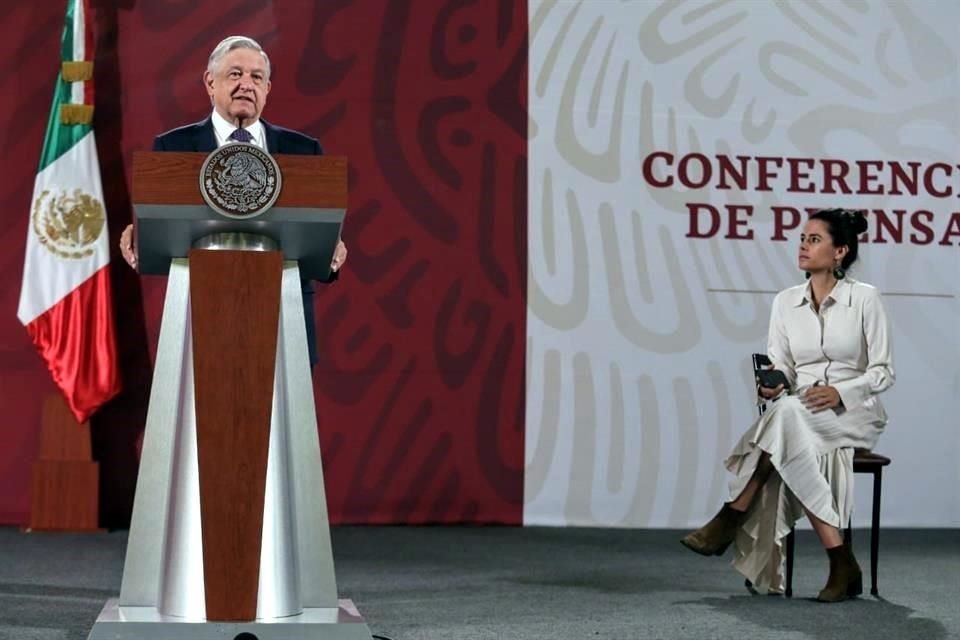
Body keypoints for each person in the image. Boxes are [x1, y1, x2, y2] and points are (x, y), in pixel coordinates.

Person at [680, 208, 894, 602]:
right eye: (802, 238)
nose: (803, 246)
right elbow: (783, 368)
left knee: (786, 421)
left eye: (814, 240)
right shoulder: (785, 302)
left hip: (854, 411)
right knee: (788, 414)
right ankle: (840, 559)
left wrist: (841, 392)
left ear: (840, 251)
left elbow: (882, 372)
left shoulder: (865, 299)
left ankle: (732, 513)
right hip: (801, 409)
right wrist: (774, 384)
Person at [119, 35, 346, 366]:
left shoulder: (304, 152)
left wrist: (332, 249)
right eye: (235, 74)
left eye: (256, 77)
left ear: (268, 88)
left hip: (284, 316)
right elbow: (159, 232)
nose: (246, 85)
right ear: (210, 83)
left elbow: (319, 241)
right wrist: (143, 240)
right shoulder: (173, 149)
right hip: (200, 313)